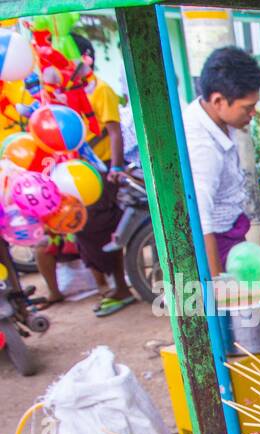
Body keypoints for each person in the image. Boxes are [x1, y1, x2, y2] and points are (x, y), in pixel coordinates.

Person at [36, 33, 135, 317]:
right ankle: (105, 286)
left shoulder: (99, 89)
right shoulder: (59, 94)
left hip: (101, 171)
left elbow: (113, 131)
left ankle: (120, 287)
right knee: (81, 230)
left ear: (83, 58)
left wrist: (115, 168)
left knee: (102, 228)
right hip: (72, 173)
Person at [183, 46, 260, 276]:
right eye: (248, 108)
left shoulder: (217, 120)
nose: (252, 114)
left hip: (231, 236)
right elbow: (201, 221)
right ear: (219, 100)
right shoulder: (202, 147)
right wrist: (219, 286)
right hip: (215, 246)